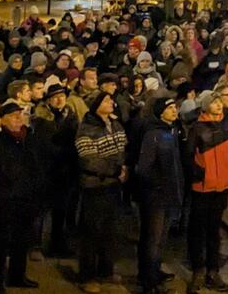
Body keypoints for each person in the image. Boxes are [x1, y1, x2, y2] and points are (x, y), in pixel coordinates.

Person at [0, 101, 42, 292]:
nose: (19, 119)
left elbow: (36, 166)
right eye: (14, 116)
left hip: (26, 198)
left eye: (21, 115)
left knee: (22, 240)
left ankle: (17, 275)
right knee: (0, 241)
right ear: (2, 120)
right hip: (5, 200)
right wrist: (0, 194)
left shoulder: (28, 139)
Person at [75, 90, 128, 292]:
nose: (111, 102)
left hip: (113, 184)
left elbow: (123, 149)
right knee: (91, 232)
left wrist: (123, 169)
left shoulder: (115, 124)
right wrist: (114, 170)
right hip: (95, 185)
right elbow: (88, 158)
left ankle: (105, 269)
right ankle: (87, 276)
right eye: (106, 100)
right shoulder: (87, 128)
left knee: (109, 230)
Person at [135, 97, 184, 294]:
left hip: (169, 194)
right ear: (160, 112)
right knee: (152, 239)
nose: (174, 111)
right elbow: (144, 167)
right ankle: (149, 281)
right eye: (169, 108)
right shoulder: (154, 134)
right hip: (156, 197)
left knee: (161, 238)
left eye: (175, 107)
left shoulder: (172, 131)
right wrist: (157, 186)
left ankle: (154, 271)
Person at [187, 90, 228, 292]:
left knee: (214, 230)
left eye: (219, 102)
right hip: (202, 186)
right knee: (198, 229)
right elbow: (188, 155)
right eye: (214, 102)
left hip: (222, 185)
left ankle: (212, 271)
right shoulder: (197, 128)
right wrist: (197, 174)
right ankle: (198, 269)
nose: (219, 105)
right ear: (206, 106)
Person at [32, 82, 80, 257]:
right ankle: (35, 246)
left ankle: (58, 244)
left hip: (65, 171)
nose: (59, 100)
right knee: (41, 211)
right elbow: (42, 145)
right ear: (49, 101)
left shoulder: (71, 117)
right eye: (55, 97)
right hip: (46, 170)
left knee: (61, 210)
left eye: (62, 96)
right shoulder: (41, 119)